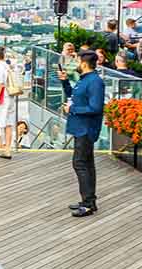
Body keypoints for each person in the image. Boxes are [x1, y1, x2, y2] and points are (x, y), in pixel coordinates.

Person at [59, 50, 106, 218]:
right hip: (80, 126)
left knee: (80, 163)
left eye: (78, 61)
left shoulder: (94, 82)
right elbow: (74, 96)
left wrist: (72, 109)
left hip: (86, 128)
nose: (76, 64)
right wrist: (65, 82)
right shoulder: (85, 80)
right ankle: (89, 200)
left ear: (84, 63)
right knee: (86, 163)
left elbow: (96, 108)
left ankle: (88, 203)